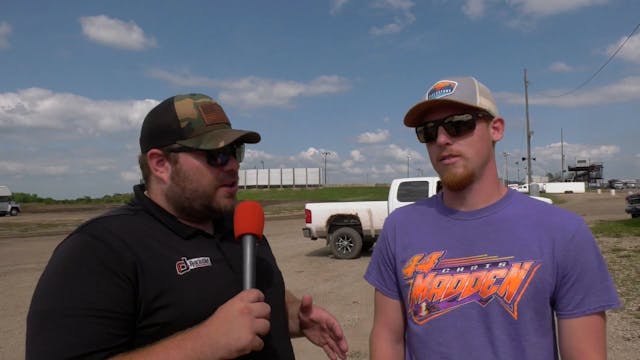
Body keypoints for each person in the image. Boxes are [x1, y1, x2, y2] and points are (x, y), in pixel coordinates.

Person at [27, 93, 349, 360]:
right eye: (217, 155)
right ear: (160, 164)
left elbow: (247, 293)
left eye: (236, 152)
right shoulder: (99, 251)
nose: (234, 166)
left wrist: (290, 314)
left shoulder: (241, 225)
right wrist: (202, 344)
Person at [364, 77, 620, 359]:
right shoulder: (400, 228)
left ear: (495, 129)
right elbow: (388, 339)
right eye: (428, 131)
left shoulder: (564, 232)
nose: (441, 139)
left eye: (458, 124)